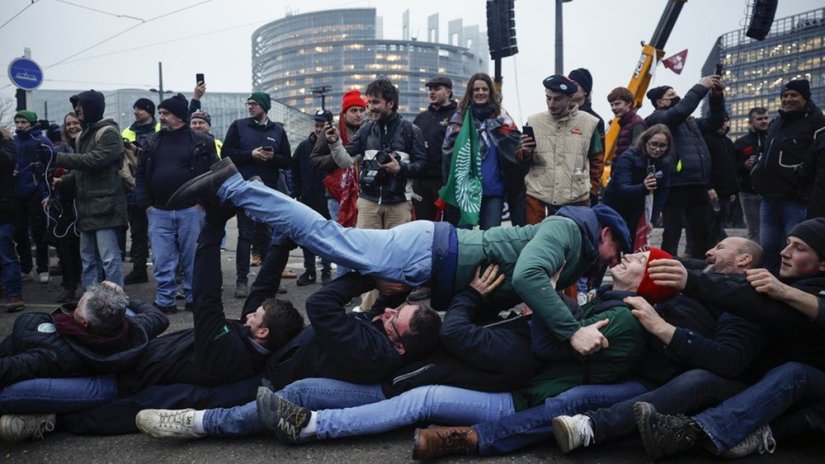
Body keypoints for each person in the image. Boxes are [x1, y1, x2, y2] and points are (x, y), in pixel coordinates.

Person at [134, 248, 677, 443]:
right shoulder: (518, 329)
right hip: (331, 365)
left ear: (397, 337)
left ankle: (211, 425)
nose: (387, 311)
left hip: (372, 384)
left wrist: (466, 297)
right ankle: (219, 416)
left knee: (399, 401)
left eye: (392, 315)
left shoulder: (518, 349)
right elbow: (468, 325)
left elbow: (463, 332)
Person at [166, 156, 632, 358]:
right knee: (323, 235)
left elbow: (515, 281)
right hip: (427, 251)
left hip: (429, 257)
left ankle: (234, 194)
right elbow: (530, 276)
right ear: (605, 233)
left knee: (328, 241)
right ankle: (234, 186)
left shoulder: (574, 247)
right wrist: (572, 333)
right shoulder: (570, 230)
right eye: (618, 252)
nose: (614, 262)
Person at [412, 236, 764, 459]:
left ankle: (472, 439)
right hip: (636, 362)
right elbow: (655, 264)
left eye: (720, 247)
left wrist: (664, 330)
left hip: (660, 378)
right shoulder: (700, 277)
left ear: (744, 260)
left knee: (576, 399)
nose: (709, 250)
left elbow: (728, 361)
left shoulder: (743, 302)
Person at [0, 213, 304, 441]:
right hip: (124, 357)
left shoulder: (229, 352)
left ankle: (44, 418)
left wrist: (212, 228)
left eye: (256, 316)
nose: (249, 313)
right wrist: (285, 240)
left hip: (114, 382)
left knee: (19, 386)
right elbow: (263, 286)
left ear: (261, 332)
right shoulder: (246, 337)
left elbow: (207, 297)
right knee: (36, 360)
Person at [630, 217, 825, 460]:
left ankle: (698, 431)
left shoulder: (794, 291)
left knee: (796, 374)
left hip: (806, 391)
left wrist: (689, 283)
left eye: (799, 248)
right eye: (788, 243)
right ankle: (594, 424)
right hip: (766, 389)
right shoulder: (786, 280)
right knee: (699, 379)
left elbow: (755, 301)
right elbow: (732, 284)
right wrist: (666, 262)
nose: (785, 252)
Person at [324, 78, 426, 311]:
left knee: (398, 260)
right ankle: (369, 309)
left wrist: (400, 169)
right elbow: (345, 160)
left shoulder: (411, 131)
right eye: (368, 102)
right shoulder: (366, 129)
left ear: (391, 103)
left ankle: (393, 309)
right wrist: (333, 144)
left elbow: (423, 166)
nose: (370, 108)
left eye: (375, 102)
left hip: (399, 203)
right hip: (368, 203)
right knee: (367, 259)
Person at [135, 94, 217, 314]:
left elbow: (214, 175)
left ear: (179, 116)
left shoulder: (203, 142)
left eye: (165, 113)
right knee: (162, 260)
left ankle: (193, 298)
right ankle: (165, 300)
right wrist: (146, 205)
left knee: (193, 258)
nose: (161, 117)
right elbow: (140, 175)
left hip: (192, 211)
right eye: (160, 113)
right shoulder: (152, 142)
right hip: (158, 212)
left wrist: (202, 203)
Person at [0, 282, 167, 389]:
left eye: (79, 305)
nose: (75, 306)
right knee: (132, 311)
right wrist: (121, 298)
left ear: (84, 322)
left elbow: (10, 369)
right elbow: (159, 317)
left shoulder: (54, 353)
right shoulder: (135, 329)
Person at [53, 90, 128, 288]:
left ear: (92, 106)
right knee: (88, 260)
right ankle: (91, 302)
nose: (77, 110)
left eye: (80, 106)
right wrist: (63, 180)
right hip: (86, 208)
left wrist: (57, 158)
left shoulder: (109, 133)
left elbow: (94, 160)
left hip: (106, 207)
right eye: (75, 106)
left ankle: (114, 302)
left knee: (109, 259)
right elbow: (81, 171)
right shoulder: (83, 135)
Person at [645, 74, 726, 257]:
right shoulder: (659, 118)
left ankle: (697, 265)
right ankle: (665, 263)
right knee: (672, 230)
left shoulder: (689, 122)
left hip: (697, 183)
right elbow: (680, 111)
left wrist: (716, 97)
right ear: (660, 102)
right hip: (675, 183)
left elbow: (715, 122)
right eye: (671, 95)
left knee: (701, 230)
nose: (677, 97)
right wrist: (700, 87)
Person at [222, 91, 291, 298]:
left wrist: (272, 158)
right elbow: (225, 153)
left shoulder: (277, 130)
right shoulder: (239, 126)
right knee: (245, 235)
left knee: (268, 235)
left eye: (254, 104)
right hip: (245, 189)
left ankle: (268, 279)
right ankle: (242, 281)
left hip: (269, 189)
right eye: (248, 103)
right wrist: (250, 155)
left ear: (264, 106)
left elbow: (287, 160)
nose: (250, 107)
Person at [752, 80, 825, 271]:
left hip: (796, 200)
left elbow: (818, 162)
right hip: (769, 199)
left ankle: (792, 290)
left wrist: (804, 186)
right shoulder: (776, 123)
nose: (788, 99)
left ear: (805, 97)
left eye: (794, 95)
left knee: (794, 251)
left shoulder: (818, 122)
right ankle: (766, 287)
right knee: (768, 248)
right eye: (785, 96)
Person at [518, 75, 603, 224]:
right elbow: (519, 156)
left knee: (573, 244)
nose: (551, 103)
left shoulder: (589, 123)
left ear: (570, 97)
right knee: (537, 242)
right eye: (548, 98)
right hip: (538, 197)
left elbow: (597, 160)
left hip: (576, 198)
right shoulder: (533, 122)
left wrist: (591, 190)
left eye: (557, 99)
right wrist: (525, 152)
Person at [440, 73, 521, 230]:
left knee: (490, 240)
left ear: (490, 92)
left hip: (493, 190)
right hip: (465, 192)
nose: (480, 92)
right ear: (470, 92)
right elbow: (448, 154)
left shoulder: (503, 118)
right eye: (476, 89)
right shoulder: (459, 118)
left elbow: (515, 149)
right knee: (462, 240)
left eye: (484, 89)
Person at [603, 124, 672, 248]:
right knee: (612, 247)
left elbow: (662, 193)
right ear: (646, 142)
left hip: (639, 210)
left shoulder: (664, 163)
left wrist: (652, 219)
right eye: (654, 144)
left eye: (662, 146)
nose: (657, 149)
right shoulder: (628, 157)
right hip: (617, 207)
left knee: (633, 250)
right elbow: (622, 188)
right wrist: (643, 187)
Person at [121, 98, 159, 285]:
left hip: (156, 190)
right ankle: (139, 269)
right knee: (137, 232)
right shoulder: (127, 132)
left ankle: (163, 270)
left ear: (150, 111)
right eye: (135, 108)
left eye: (140, 109)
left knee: (159, 232)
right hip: (133, 189)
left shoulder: (160, 130)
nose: (136, 111)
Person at [292, 110, 332, 285]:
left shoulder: (335, 146)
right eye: (316, 125)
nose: (318, 129)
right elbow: (293, 170)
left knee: (327, 237)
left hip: (328, 199)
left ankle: (326, 272)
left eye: (322, 126)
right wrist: (297, 192)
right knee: (307, 236)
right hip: (307, 198)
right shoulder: (303, 147)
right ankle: (310, 271)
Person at [11, 110, 51, 285]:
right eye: (17, 122)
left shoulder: (41, 142)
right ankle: (26, 268)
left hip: (36, 192)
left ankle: (43, 268)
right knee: (20, 233)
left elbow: (50, 166)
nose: (20, 125)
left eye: (23, 122)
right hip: (16, 192)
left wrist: (46, 192)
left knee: (39, 232)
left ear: (31, 123)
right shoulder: (12, 142)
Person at [48, 113, 84, 303]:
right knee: (65, 247)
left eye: (75, 123)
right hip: (64, 203)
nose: (71, 126)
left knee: (83, 248)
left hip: (85, 202)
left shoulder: (87, 146)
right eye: (68, 124)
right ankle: (69, 286)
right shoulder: (60, 149)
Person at [413, 75, 457, 222]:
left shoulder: (458, 116)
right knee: (423, 226)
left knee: (447, 227)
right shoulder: (421, 117)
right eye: (430, 89)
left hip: (445, 182)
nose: (432, 92)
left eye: (437, 89)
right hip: (421, 182)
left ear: (449, 92)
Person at [568, 68, 605, 206]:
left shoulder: (596, 120)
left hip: (585, 187)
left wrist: (593, 188)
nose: (571, 87)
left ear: (585, 91)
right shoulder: (561, 115)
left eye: (575, 84)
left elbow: (599, 158)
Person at [733, 107, 769, 242]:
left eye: (765, 118)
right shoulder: (741, 143)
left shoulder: (773, 138)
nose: (763, 121)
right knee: (754, 229)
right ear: (751, 122)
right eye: (759, 119)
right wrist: (744, 165)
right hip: (749, 192)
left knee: (771, 227)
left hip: (771, 191)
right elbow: (732, 166)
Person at [704, 114, 739, 243]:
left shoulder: (727, 141)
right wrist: (709, 186)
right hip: (714, 191)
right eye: (722, 121)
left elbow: (732, 167)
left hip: (725, 192)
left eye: (726, 121)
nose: (724, 124)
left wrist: (733, 190)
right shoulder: (707, 140)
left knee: (719, 224)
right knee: (710, 225)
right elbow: (707, 166)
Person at [0, 128, 24, 312]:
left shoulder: (7, 144)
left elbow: (6, 162)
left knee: (6, 255)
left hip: (3, 210)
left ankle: (13, 294)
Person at [607, 86, 647, 158]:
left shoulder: (637, 124)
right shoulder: (625, 123)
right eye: (611, 105)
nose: (613, 108)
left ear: (628, 103)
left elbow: (637, 153)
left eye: (617, 104)